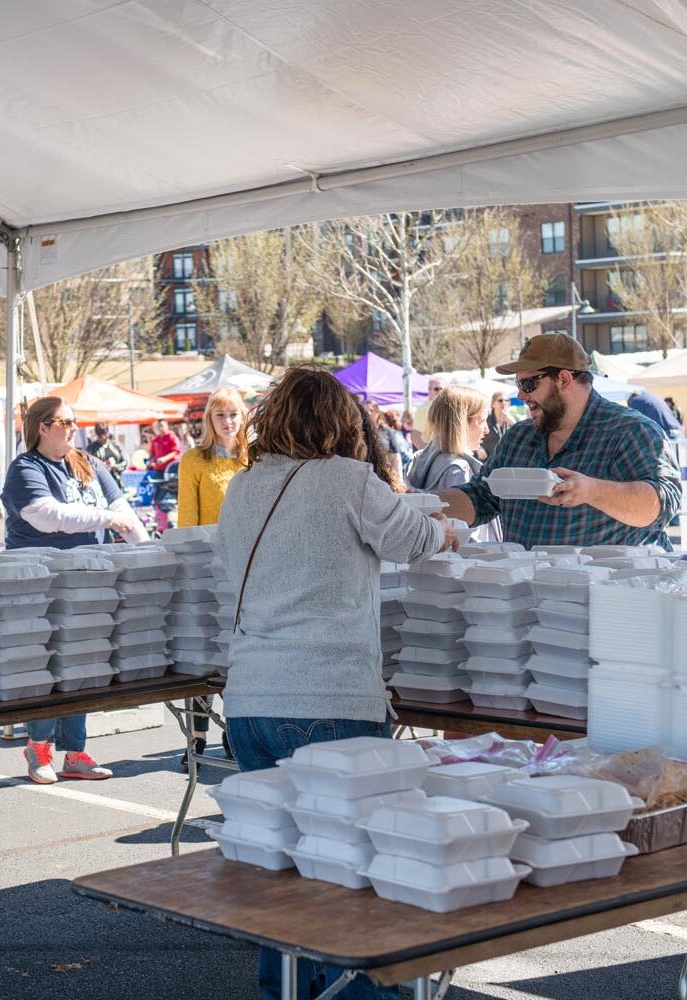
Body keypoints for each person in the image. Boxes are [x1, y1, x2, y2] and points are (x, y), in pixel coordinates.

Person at [216, 366, 456, 1000]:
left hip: (249, 701)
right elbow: (416, 538)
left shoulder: (242, 486)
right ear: (343, 423)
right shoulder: (349, 480)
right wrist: (449, 529)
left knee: (278, 872)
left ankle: (285, 993)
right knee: (351, 880)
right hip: (329, 698)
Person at [1, 396, 149, 784]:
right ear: (41, 427)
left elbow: (125, 514)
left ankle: (75, 751)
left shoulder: (89, 463)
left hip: (90, 584)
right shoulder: (25, 469)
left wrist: (150, 555)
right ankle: (38, 746)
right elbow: (47, 516)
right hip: (41, 585)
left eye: (75, 421)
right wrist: (110, 519)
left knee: (82, 663)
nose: (73, 428)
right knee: (45, 664)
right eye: (64, 421)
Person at [436, 335, 682, 549]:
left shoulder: (629, 431)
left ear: (564, 379)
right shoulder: (518, 438)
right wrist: (415, 504)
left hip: (608, 597)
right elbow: (480, 499)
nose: (521, 395)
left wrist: (592, 491)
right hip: (530, 595)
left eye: (528, 383)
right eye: (518, 384)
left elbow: (661, 505)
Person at [176, 388, 248, 769]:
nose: (228, 421)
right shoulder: (194, 460)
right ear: (209, 420)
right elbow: (187, 517)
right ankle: (197, 738)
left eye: (233, 414)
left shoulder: (253, 460)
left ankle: (234, 731)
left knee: (236, 656)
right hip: (208, 566)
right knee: (203, 654)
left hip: (247, 569)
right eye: (220, 415)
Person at [407, 386, 500, 541]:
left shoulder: (419, 459)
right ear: (462, 422)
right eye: (482, 421)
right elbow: (465, 536)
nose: (486, 430)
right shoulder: (457, 469)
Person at [86, 422, 127, 488]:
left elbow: (125, 461)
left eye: (104, 433)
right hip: (100, 482)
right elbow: (86, 463)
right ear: (97, 434)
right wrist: (101, 466)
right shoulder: (91, 448)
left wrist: (117, 466)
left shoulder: (115, 445)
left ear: (107, 432)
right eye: (100, 434)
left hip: (116, 480)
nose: (102, 437)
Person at [410, 377, 445, 449]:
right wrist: (426, 452)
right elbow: (416, 435)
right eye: (436, 389)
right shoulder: (423, 409)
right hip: (432, 450)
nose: (440, 391)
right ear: (429, 390)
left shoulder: (448, 407)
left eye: (442, 389)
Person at [481, 391, 516, 457]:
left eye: (507, 400)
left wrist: (513, 423)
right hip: (487, 459)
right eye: (500, 400)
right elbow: (471, 435)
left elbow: (520, 438)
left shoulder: (513, 420)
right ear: (493, 404)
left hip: (504, 460)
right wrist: (479, 449)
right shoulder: (485, 419)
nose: (504, 403)